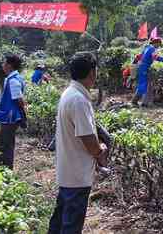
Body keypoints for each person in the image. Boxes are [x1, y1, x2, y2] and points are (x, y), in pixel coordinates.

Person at [48, 52, 108, 234]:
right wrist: (100, 152)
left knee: (60, 220)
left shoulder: (70, 93)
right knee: (71, 225)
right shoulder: (79, 100)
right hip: (77, 174)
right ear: (92, 72)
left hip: (68, 170)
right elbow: (88, 139)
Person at [0, 54, 27, 170]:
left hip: (10, 117)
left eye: (4, 63)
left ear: (9, 65)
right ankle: (5, 168)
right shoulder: (15, 78)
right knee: (6, 142)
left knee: (5, 144)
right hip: (10, 116)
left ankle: (5, 169)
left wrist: (22, 113)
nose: (3, 65)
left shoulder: (13, 81)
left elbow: (19, 99)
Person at [132, 37, 163, 107]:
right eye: (159, 44)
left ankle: (142, 102)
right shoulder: (152, 49)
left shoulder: (147, 47)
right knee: (142, 85)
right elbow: (155, 57)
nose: (159, 46)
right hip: (144, 68)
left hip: (141, 67)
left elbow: (139, 56)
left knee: (144, 85)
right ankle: (134, 101)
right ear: (156, 43)